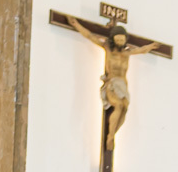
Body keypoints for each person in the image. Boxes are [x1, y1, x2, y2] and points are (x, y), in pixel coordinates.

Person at [66, 18, 159, 149]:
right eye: (118, 39)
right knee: (119, 105)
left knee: (125, 108)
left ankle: (113, 134)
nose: (120, 42)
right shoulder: (108, 50)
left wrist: (150, 46)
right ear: (113, 39)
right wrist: (76, 25)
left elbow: (141, 50)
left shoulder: (127, 53)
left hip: (123, 85)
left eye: (122, 40)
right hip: (112, 83)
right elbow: (90, 36)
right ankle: (110, 136)